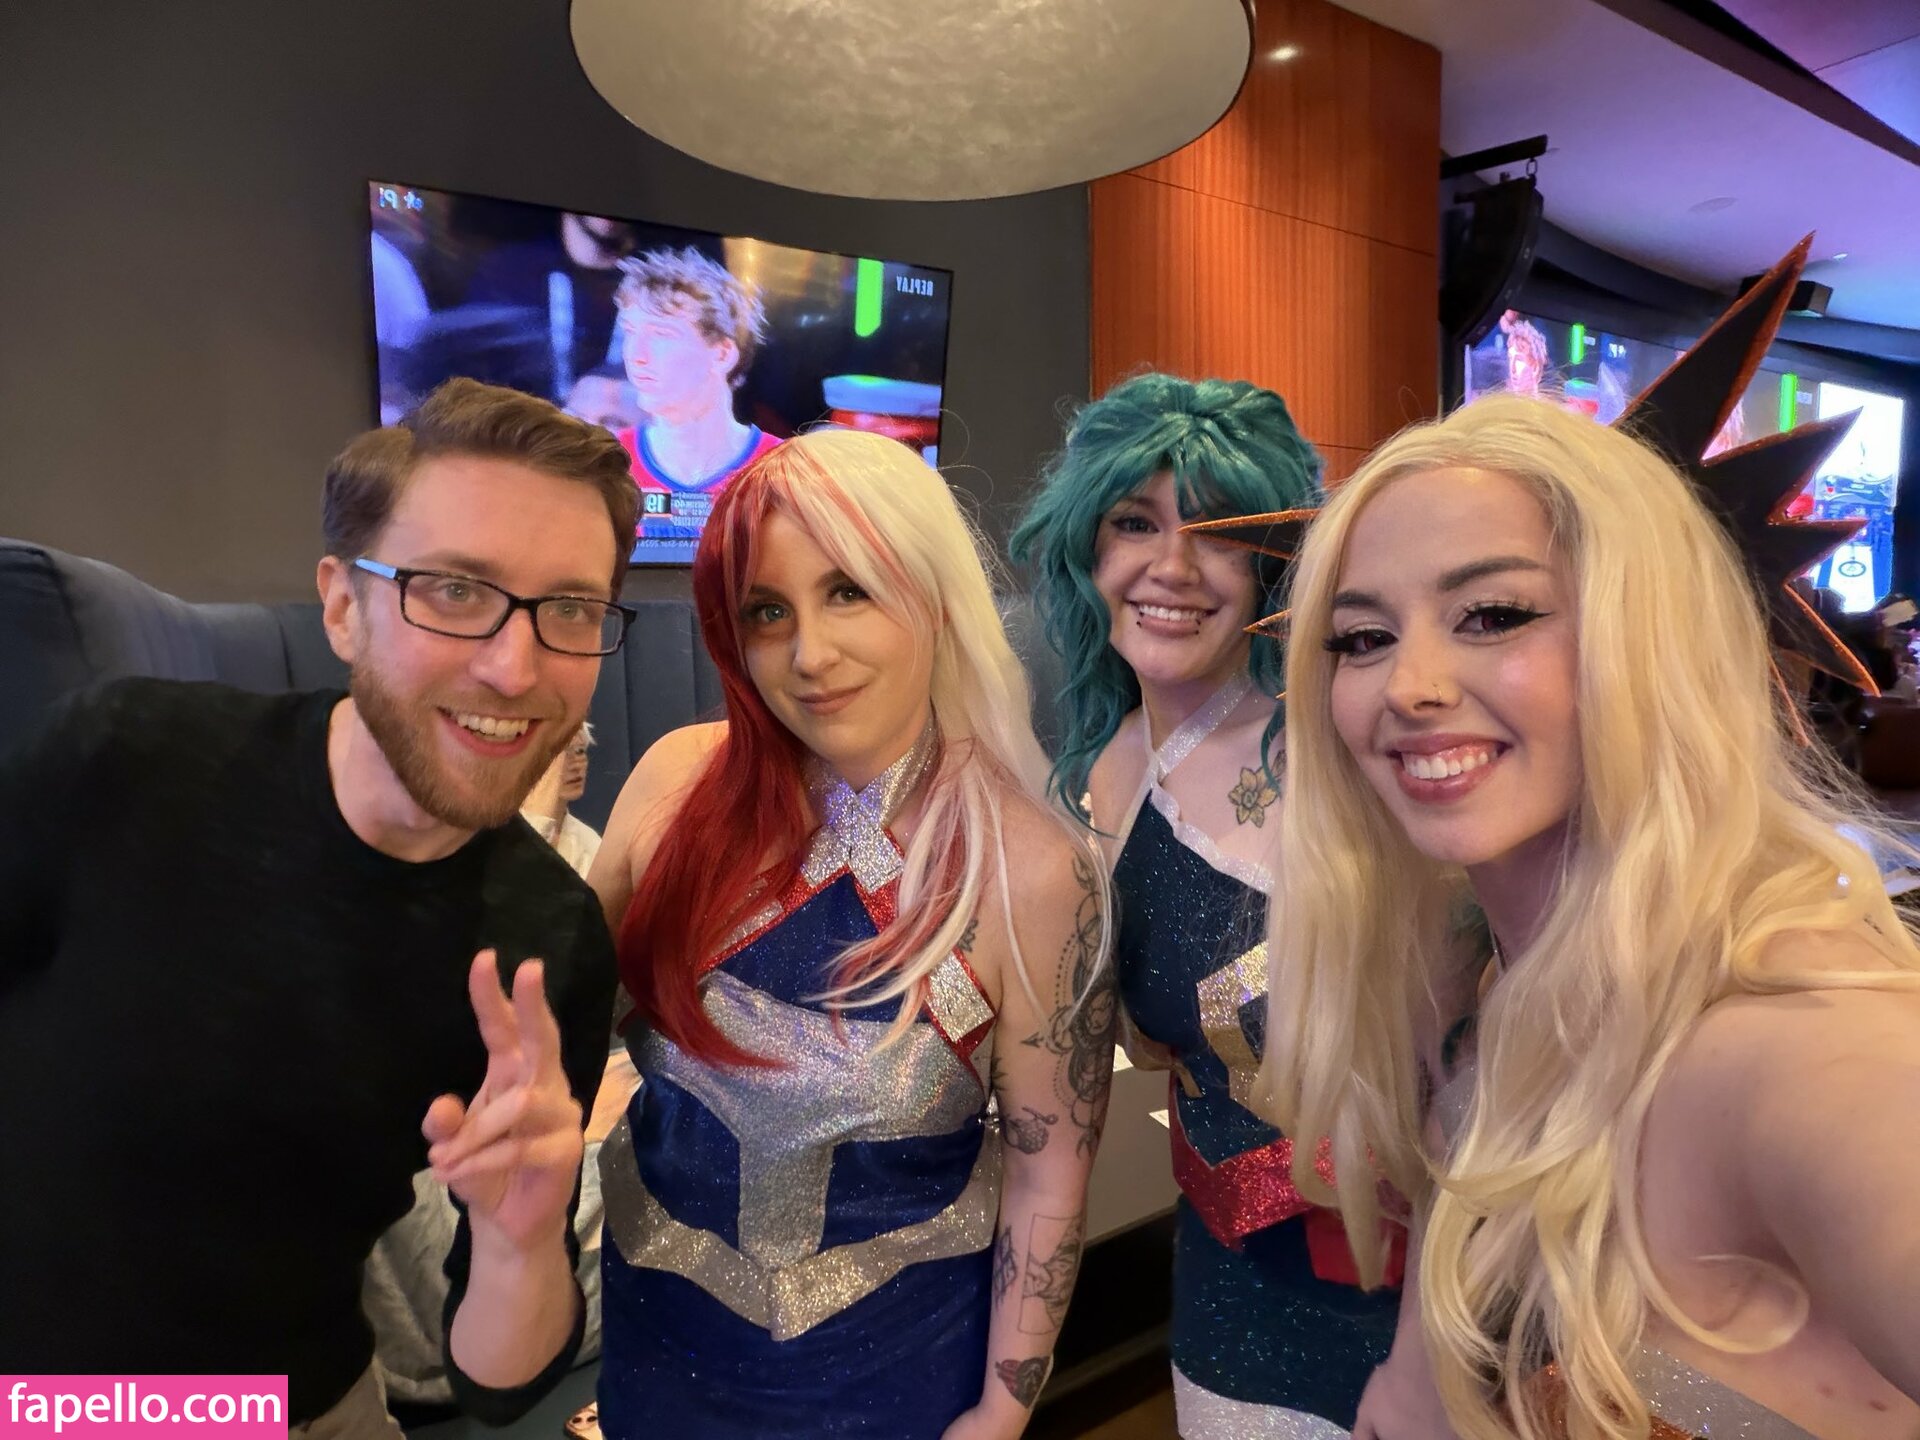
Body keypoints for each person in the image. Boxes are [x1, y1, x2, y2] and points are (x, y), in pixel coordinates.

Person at [1257, 253, 1920, 1440]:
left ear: (1645, 637)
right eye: (1362, 638)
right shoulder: (1493, 983)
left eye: (1494, 615)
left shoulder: (1791, 1040)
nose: (1408, 687)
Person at [0, 379, 636, 1432]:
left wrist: (521, 1242)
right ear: (343, 607)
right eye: (454, 590)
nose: (514, 667)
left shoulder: (548, 934)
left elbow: (498, 1382)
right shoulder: (129, 757)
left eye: (568, 608)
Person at [588, 428, 1115, 1439]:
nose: (810, 656)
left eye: (848, 592)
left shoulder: (1036, 871)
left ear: (932, 593)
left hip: (895, 1382)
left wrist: (1004, 1410)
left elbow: (1049, 1172)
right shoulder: (675, 787)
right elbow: (562, 1037)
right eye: (767, 611)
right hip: (657, 1353)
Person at [1010, 372, 1400, 1438]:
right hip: (1229, 1297)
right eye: (1135, 522)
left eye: (1219, 531)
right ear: (1086, 543)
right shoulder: (1104, 773)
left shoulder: (1359, 738)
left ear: (1276, 556)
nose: (1172, 567)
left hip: (1430, 1302)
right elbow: (1151, 1049)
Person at [611, 246, 782, 549]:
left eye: (661, 334)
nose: (636, 355)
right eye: (630, 332)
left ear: (723, 354)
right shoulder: (609, 463)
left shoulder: (784, 469)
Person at [522, 721, 604, 877]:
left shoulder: (590, 842)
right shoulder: (497, 831)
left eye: (579, 751)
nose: (575, 765)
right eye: (559, 754)